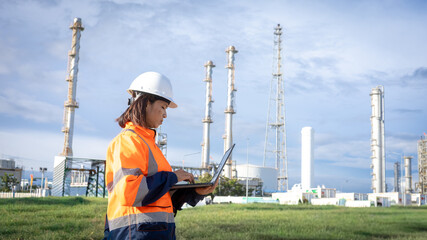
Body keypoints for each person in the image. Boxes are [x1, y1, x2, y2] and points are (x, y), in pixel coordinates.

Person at [103, 72, 217, 239]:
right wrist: (172, 177)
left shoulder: (149, 144)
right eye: (163, 107)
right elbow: (130, 192)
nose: (165, 114)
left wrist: (197, 192)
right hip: (133, 234)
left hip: (152, 232)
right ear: (145, 103)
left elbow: (160, 198)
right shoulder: (128, 141)